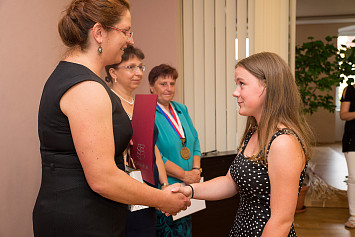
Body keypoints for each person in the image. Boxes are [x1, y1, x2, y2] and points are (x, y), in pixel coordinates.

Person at [32, 1, 189, 236]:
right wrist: (162, 199)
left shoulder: (69, 75)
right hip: (83, 219)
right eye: (125, 31)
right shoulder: (86, 88)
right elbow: (102, 178)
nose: (131, 40)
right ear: (98, 33)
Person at [176, 52, 313, 236]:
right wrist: (189, 190)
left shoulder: (283, 142)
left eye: (242, 84)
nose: (235, 92)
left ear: (267, 87)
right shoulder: (254, 133)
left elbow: (281, 221)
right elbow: (229, 183)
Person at [104, 45, 170, 236]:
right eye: (130, 67)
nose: (138, 73)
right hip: (123, 187)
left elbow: (152, 148)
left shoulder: (142, 104)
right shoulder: (108, 102)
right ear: (113, 72)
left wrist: (163, 185)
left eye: (140, 67)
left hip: (148, 184)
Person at [148, 64, 201, 237]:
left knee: (186, 232)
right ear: (151, 86)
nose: (169, 88)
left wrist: (195, 170)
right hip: (166, 188)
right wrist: (183, 174)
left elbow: (195, 141)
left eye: (172, 83)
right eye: (163, 84)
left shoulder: (181, 109)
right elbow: (154, 154)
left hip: (187, 186)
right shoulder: (147, 111)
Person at [340, 83, 355, 228]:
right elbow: (343, 115)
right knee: (353, 178)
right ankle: (354, 216)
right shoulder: (350, 90)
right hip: (352, 140)